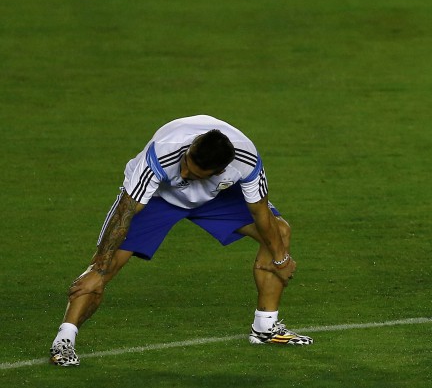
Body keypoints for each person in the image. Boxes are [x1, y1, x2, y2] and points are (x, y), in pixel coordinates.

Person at [50, 115, 312, 367]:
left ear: (219, 171)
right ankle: (64, 340)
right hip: (158, 199)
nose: (184, 173)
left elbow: (260, 212)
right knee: (104, 267)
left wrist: (281, 259)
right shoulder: (164, 152)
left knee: (279, 231)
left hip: (214, 198)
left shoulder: (247, 160)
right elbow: (124, 212)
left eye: (194, 173)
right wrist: (101, 264)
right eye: (185, 163)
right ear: (191, 146)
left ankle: (265, 327)